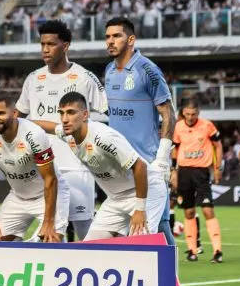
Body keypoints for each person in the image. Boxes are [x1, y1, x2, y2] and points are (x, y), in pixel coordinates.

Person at [16, 18, 105, 240]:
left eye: (51, 44)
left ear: (65, 46)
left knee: (86, 232)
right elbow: (19, 116)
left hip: (77, 167)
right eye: (42, 44)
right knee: (54, 230)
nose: (45, 50)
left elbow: (104, 116)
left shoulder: (84, 78)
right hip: (43, 169)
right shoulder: (33, 79)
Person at [57, 92, 168, 240]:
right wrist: (19, 122)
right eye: (61, 113)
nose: (65, 119)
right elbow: (50, 127)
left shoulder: (103, 137)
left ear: (85, 115)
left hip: (147, 191)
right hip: (116, 198)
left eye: (70, 113)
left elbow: (140, 166)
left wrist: (140, 209)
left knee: (141, 247)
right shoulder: (68, 134)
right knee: (89, 248)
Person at [103, 17, 175, 243]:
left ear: (131, 39)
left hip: (148, 161)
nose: (110, 41)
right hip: (120, 164)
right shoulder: (109, 70)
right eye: (107, 37)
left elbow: (169, 113)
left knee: (158, 225)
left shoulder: (148, 69)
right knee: (128, 226)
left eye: (117, 36)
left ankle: (168, 276)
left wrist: (162, 157)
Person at [0, 92, 64, 243]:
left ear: (14, 113)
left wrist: (49, 222)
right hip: (17, 197)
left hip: (47, 196)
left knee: (50, 241)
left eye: (0, 113)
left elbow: (50, 179)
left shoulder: (34, 135)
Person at [171, 100, 224, 263]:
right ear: (183, 113)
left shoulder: (207, 126)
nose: (190, 117)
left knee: (208, 210)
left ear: (198, 112)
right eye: (187, 114)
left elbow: (218, 146)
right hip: (184, 172)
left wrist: (217, 168)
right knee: (188, 212)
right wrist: (173, 170)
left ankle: (217, 251)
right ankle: (192, 251)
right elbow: (175, 148)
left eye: (193, 114)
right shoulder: (178, 127)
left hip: (201, 172)